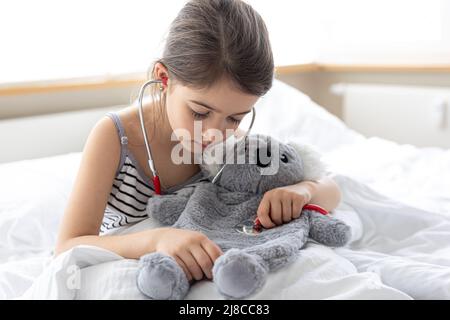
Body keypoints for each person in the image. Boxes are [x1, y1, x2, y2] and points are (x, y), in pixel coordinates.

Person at [55, 0, 341, 282]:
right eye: (200, 112)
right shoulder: (115, 138)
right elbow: (68, 246)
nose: (213, 133)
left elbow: (332, 190)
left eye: (235, 118)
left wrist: (302, 191)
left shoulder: (233, 148)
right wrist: (158, 239)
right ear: (164, 78)